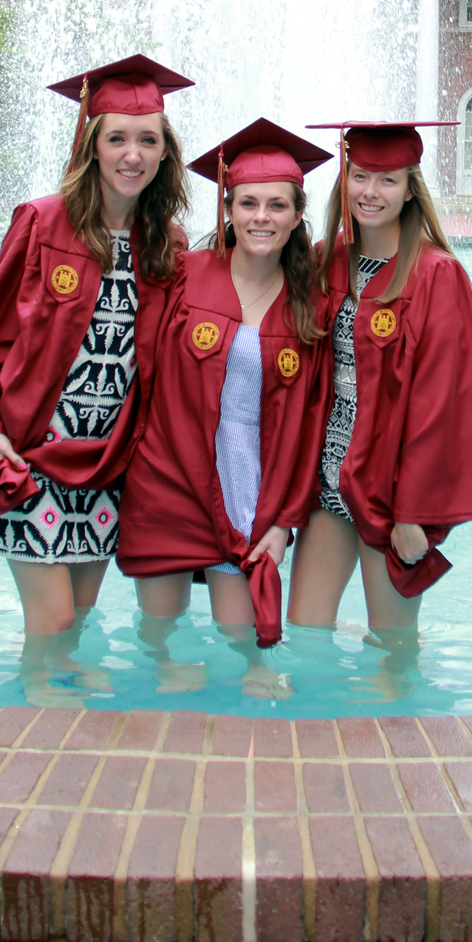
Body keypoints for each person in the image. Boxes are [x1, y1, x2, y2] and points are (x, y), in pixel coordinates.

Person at [0, 54, 192, 639]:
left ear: (164, 151)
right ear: (92, 144)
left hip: (107, 463)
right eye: (117, 139)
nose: (132, 155)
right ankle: (37, 725)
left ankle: (61, 729)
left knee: (78, 621)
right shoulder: (42, 223)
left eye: (146, 140)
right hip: (30, 454)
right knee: (53, 623)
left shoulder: (168, 245)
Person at [117, 119, 332, 655]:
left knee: (246, 654)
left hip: (248, 499)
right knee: (163, 650)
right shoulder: (182, 274)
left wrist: (284, 523)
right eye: (248, 203)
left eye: (278, 205)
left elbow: (310, 423)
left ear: (298, 215)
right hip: (169, 479)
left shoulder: (310, 303)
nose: (262, 217)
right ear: (229, 210)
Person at [287, 120, 472, 635]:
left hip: (389, 491)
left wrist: (413, 512)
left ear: (409, 190)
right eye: (359, 176)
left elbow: (439, 403)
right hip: (328, 480)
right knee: (305, 633)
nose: (370, 192)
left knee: (392, 647)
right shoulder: (325, 260)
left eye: (387, 180)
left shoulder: (436, 275)